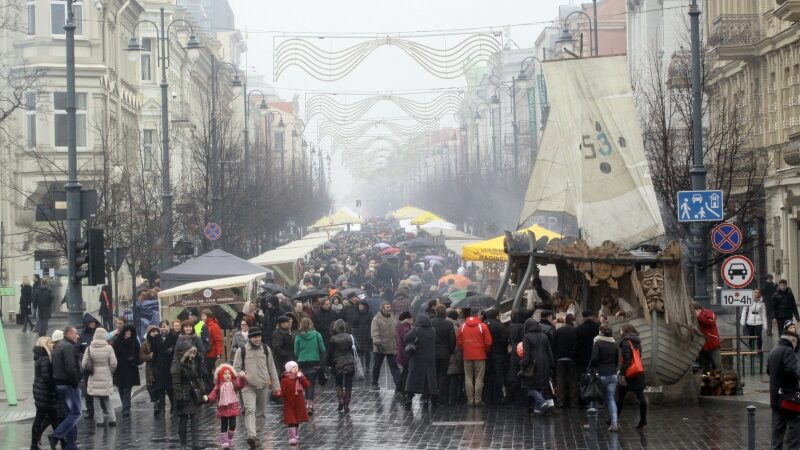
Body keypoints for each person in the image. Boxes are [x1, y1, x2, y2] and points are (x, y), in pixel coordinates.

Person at [233, 326, 281, 449]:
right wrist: (240, 374)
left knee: (261, 413)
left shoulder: (266, 349)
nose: (257, 339)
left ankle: (256, 435)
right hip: (247, 386)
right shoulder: (241, 351)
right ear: (249, 338)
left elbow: (272, 368)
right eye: (254, 337)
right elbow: (235, 369)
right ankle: (252, 435)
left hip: (264, 386)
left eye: (259, 336)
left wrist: (276, 386)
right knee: (250, 409)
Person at [768, 322, 800, 449]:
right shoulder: (788, 351)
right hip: (788, 396)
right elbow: (793, 371)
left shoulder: (774, 351)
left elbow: (768, 370)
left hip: (775, 396)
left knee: (778, 428)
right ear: (792, 340)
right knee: (795, 423)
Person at [50, 326, 81, 450]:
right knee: (75, 413)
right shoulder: (68, 347)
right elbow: (70, 368)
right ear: (69, 334)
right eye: (75, 333)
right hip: (68, 385)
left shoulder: (60, 346)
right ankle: (56, 435)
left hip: (61, 384)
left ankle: (71, 445)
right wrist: (75, 382)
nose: (77, 336)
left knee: (70, 415)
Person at [203, 364, 246, 449]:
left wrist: (242, 378)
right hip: (223, 409)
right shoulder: (219, 386)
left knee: (233, 425)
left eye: (228, 373)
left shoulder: (234, 383)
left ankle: (230, 438)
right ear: (220, 376)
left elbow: (241, 385)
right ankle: (225, 442)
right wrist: (208, 398)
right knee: (224, 425)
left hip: (233, 408)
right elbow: (213, 394)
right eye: (225, 374)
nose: (227, 375)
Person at [81, 326, 117, 427]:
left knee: (96, 398)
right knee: (106, 398)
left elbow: (84, 364)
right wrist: (110, 372)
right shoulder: (109, 348)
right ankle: (112, 419)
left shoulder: (89, 348)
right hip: (106, 374)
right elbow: (114, 363)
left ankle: (99, 420)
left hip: (93, 375)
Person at [172, 336, 203, 450]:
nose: (193, 355)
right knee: (183, 419)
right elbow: (176, 384)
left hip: (192, 394)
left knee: (195, 418)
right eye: (191, 353)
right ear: (184, 353)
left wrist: (202, 391)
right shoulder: (176, 366)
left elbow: (196, 378)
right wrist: (179, 398)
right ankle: (183, 444)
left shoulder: (191, 363)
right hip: (183, 395)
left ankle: (196, 443)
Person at [456, 310, 493, 406]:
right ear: (478, 315)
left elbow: (459, 341)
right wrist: (485, 350)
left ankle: (470, 400)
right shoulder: (483, 326)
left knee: (468, 377)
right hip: (480, 355)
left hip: (467, 355)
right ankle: (477, 399)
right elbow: (489, 342)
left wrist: (465, 348)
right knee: (479, 378)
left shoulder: (462, 326)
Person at [588, 324, 620, 432]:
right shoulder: (614, 345)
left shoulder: (597, 343)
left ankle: (592, 423)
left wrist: (592, 369)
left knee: (594, 398)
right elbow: (616, 360)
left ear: (601, 332)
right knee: (611, 399)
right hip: (613, 375)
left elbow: (594, 359)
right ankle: (614, 423)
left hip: (601, 374)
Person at [403, 314, 438, 407]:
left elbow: (406, 338)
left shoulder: (416, 329)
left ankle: (409, 398)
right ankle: (426, 399)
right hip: (429, 358)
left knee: (412, 379)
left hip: (416, 358)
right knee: (427, 379)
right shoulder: (433, 330)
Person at [520, 319, 554, 414]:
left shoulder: (526, 337)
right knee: (541, 386)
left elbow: (527, 356)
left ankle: (542, 402)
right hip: (545, 364)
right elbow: (549, 352)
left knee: (529, 386)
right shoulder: (544, 336)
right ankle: (537, 410)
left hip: (533, 366)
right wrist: (552, 365)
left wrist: (522, 363)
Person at [616, 324, 647, 430]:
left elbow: (626, 360)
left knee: (620, 397)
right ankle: (643, 419)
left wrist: (622, 373)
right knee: (641, 398)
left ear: (625, 331)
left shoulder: (625, 342)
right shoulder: (638, 341)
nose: (620, 332)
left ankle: (614, 418)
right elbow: (639, 356)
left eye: (621, 330)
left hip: (628, 375)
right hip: (638, 373)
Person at [31, 336, 59, 450]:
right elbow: (47, 378)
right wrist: (54, 388)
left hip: (40, 391)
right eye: (50, 342)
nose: (53, 344)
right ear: (45, 345)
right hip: (45, 393)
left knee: (51, 418)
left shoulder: (40, 358)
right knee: (47, 418)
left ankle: (60, 440)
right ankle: (34, 443)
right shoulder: (45, 359)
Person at [293, 318, 325, 415]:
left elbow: (295, 352)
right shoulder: (316, 335)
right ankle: (309, 404)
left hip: (302, 362)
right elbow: (322, 349)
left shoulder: (298, 337)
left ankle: (305, 403)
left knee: (304, 384)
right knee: (311, 384)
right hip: (314, 362)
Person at [327, 319, 356, 413]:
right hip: (349, 361)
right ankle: (346, 405)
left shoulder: (333, 338)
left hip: (337, 362)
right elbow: (351, 349)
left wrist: (328, 364)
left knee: (338, 383)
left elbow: (330, 353)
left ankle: (341, 400)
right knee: (348, 385)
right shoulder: (349, 337)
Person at [112, 324, 141, 417]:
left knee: (127, 389)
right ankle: (124, 405)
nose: (128, 333)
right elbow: (113, 354)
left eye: (130, 331)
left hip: (130, 369)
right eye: (127, 331)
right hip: (119, 369)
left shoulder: (135, 341)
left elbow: (138, 354)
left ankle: (126, 408)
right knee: (120, 388)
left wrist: (133, 360)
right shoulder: (118, 341)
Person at [370, 302, 401, 390]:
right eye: (387, 307)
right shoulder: (376, 319)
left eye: (390, 307)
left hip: (391, 346)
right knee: (376, 366)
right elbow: (374, 333)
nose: (389, 308)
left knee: (394, 366)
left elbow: (396, 331)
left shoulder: (393, 318)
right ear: (382, 308)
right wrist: (377, 343)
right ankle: (374, 383)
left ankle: (399, 384)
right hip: (380, 347)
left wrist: (397, 342)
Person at [150, 320, 178, 415]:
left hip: (170, 365)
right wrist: (153, 366)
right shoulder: (157, 337)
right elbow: (154, 352)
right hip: (160, 366)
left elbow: (178, 349)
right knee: (160, 388)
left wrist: (173, 349)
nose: (163, 328)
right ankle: (162, 407)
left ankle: (174, 407)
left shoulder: (174, 336)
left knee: (170, 389)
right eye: (161, 327)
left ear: (169, 326)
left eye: (165, 326)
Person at [281, 361, 310, 446]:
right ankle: (292, 437)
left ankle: (296, 435)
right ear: (289, 369)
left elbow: (307, 385)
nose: (296, 369)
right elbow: (283, 391)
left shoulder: (300, 377)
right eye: (293, 367)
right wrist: (280, 394)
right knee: (291, 420)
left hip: (299, 403)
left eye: (296, 367)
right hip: (289, 403)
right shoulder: (285, 380)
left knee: (297, 420)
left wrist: (302, 378)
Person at [430, 304, 455, 405]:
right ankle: (442, 398)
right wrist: (451, 350)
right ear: (445, 312)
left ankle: (433, 397)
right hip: (445, 352)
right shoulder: (448, 324)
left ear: (435, 312)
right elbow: (452, 339)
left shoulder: (431, 322)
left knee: (434, 375)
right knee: (443, 375)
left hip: (433, 352)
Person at [553, 313, 578, 408]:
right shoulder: (575, 331)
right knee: (572, 380)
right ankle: (573, 402)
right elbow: (577, 345)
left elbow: (554, 345)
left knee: (560, 380)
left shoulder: (558, 331)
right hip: (572, 359)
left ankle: (560, 401)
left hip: (560, 358)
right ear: (572, 321)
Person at [77, 313, 100, 420]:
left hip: (99, 366)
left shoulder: (98, 334)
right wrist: (84, 357)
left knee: (101, 389)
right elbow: (77, 350)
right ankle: (90, 410)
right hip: (88, 367)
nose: (93, 324)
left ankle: (102, 408)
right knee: (88, 390)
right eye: (91, 323)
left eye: (94, 322)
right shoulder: (82, 337)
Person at [483, 308, 507, 405]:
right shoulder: (500, 326)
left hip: (486, 354)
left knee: (487, 376)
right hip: (498, 354)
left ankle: (487, 397)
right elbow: (504, 340)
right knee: (498, 376)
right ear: (496, 315)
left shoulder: (483, 324)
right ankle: (497, 397)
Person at [694, 302, 721, 372]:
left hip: (712, 345)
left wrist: (698, 316)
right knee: (704, 368)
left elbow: (710, 323)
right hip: (701, 346)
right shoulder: (694, 317)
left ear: (697, 309)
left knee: (717, 366)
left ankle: (719, 381)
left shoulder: (708, 312)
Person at [351, 299, 374, 375]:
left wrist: (370, 334)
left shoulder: (369, 314)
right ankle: (360, 366)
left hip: (367, 334)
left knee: (367, 352)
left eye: (361, 305)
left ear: (365, 306)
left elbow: (372, 324)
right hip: (358, 335)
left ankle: (367, 367)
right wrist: (357, 315)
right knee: (359, 352)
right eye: (359, 305)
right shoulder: (356, 313)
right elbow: (353, 323)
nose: (360, 306)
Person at [202, 309, 225, 380]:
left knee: (209, 373)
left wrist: (219, 354)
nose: (202, 318)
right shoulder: (205, 326)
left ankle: (212, 388)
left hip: (212, 354)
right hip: (206, 353)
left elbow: (218, 341)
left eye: (203, 316)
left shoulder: (214, 326)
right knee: (207, 373)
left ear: (207, 317)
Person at [395, 311, 413, 399]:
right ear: (407, 320)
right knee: (407, 372)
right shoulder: (406, 329)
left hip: (401, 354)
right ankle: (403, 389)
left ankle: (400, 388)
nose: (412, 319)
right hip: (405, 355)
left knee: (405, 372)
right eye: (410, 318)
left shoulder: (402, 327)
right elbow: (407, 342)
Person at [140, 325, 158, 408]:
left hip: (159, 366)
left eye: (156, 331)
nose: (155, 333)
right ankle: (155, 402)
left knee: (159, 385)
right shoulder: (145, 343)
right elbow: (141, 356)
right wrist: (149, 356)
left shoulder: (160, 340)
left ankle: (159, 402)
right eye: (153, 332)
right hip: (150, 367)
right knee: (151, 386)